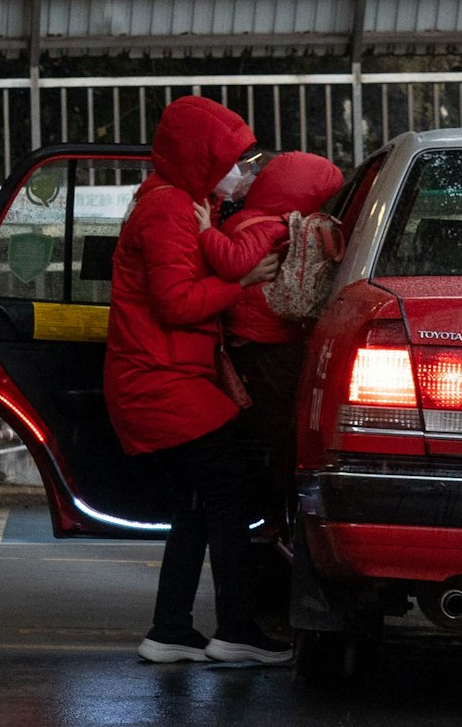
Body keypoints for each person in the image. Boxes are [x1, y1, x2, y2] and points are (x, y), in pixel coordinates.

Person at [104, 95, 290, 666]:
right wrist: (243, 284)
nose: (243, 171)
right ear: (199, 159)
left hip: (167, 379)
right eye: (232, 160)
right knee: (228, 492)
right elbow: (176, 301)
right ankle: (234, 628)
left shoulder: (184, 201)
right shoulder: (167, 209)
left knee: (196, 504)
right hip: (161, 384)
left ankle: (171, 629)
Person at [197, 152, 346, 529]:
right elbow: (232, 262)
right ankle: (270, 509)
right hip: (268, 341)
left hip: (246, 339)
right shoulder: (273, 228)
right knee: (279, 428)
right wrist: (205, 233)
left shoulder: (246, 220)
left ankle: (264, 508)